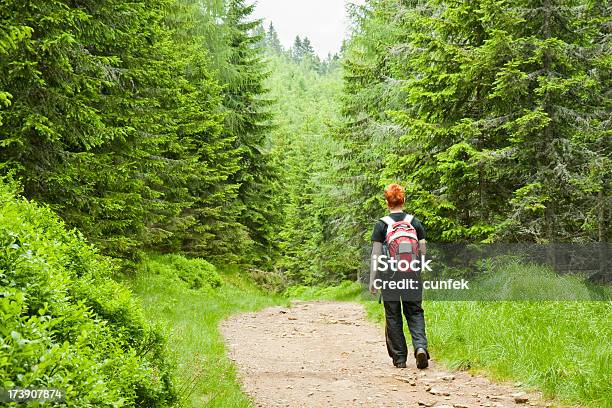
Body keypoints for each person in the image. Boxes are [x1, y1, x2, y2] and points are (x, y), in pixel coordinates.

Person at [369, 183, 430, 369]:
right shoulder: (414, 222)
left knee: (393, 315)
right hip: (412, 273)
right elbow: (423, 249)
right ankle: (420, 347)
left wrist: (373, 279)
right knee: (415, 312)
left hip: (389, 276)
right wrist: (422, 269)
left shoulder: (382, 224)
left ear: (387, 203)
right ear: (403, 200)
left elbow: (376, 254)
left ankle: (400, 359)